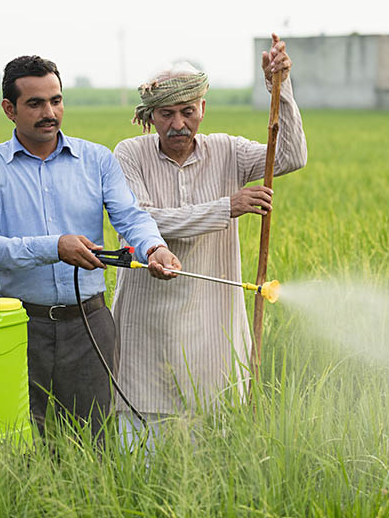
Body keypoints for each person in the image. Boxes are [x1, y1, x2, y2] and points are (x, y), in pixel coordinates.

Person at [0, 55, 181, 441]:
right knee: (18, 441)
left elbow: (131, 217)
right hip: (16, 326)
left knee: (94, 443)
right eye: (35, 104)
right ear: (9, 109)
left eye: (56, 100)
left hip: (88, 325)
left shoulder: (96, 160)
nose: (49, 113)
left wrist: (154, 248)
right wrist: (54, 247)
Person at [112, 33, 307, 438]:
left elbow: (290, 156)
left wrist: (280, 87)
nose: (178, 124)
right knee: (140, 430)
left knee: (210, 425)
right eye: (166, 113)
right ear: (149, 116)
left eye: (187, 111)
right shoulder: (130, 154)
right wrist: (225, 208)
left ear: (203, 108)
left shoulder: (227, 151)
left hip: (212, 318)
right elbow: (142, 219)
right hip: (144, 321)